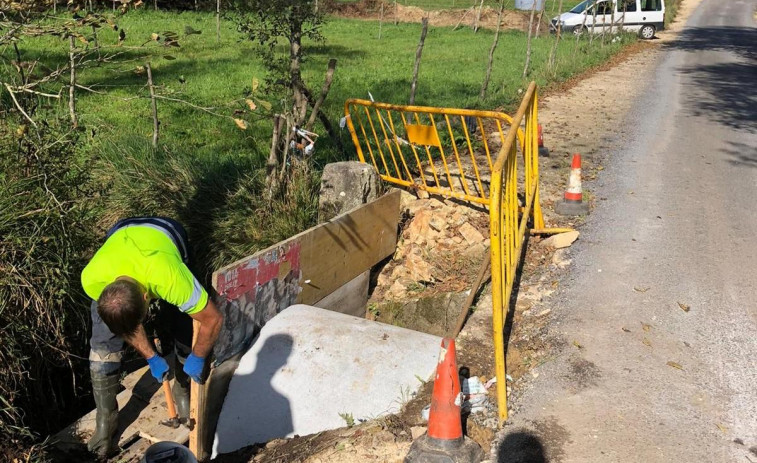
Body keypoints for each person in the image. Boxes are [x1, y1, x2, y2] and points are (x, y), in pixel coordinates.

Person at [80, 217, 223, 457]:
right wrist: (151, 356)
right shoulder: (92, 279)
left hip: (166, 233)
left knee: (183, 322)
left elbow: (212, 319)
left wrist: (198, 356)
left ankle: (182, 387)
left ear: (147, 297)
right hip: (119, 236)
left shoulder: (169, 277)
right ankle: (106, 419)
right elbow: (125, 322)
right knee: (103, 342)